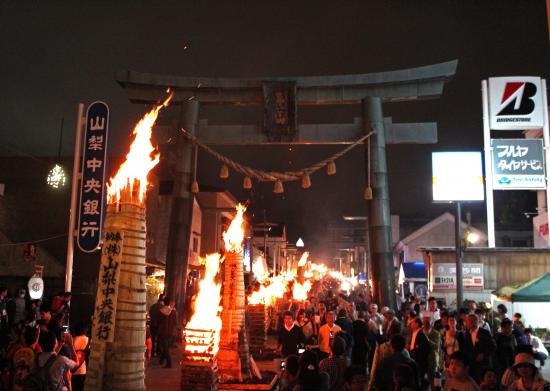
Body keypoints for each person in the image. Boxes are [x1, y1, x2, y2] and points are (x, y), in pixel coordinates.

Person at [462, 313, 496, 382]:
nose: (466, 324)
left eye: (467, 322)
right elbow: (466, 349)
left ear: (474, 322)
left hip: (484, 365)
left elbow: (493, 346)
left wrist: (484, 355)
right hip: (472, 366)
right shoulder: (467, 334)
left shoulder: (485, 333)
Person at [409, 317, 431, 387]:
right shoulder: (414, 333)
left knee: (419, 379)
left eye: (412, 323)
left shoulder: (421, 334)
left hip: (419, 361)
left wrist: (418, 354)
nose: (411, 324)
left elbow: (427, 348)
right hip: (413, 358)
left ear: (417, 324)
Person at [157, 296, 176, 368]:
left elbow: (158, 322)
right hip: (170, 331)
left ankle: (169, 362)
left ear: (164, 302)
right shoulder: (173, 312)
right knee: (166, 345)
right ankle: (161, 360)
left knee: (164, 347)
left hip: (162, 331)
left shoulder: (161, 311)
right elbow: (175, 322)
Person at [71, 322, 89, 391]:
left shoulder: (72, 340)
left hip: (72, 369)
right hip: (82, 370)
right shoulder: (87, 340)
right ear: (85, 330)